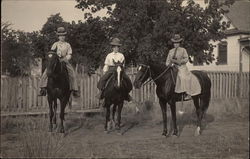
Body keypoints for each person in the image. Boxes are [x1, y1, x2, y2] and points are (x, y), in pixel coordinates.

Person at [38, 27, 80, 97]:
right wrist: (54, 59)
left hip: (64, 60)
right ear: (58, 36)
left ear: (65, 36)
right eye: (60, 35)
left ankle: (74, 90)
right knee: (46, 72)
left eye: (63, 35)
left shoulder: (67, 45)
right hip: (55, 61)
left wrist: (65, 59)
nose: (62, 37)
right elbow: (52, 53)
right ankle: (42, 88)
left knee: (72, 73)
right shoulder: (55, 44)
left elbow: (69, 54)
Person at [166, 34, 192, 100]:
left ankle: (186, 93)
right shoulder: (170, 51)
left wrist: (179, 61)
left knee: (182, 76)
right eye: (174, 43)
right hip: (172, 67)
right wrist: (169, 64)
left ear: (179, 43)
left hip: (181, 67)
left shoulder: (183, 50)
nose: (176, 44)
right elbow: (167, 61)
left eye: (177, 43)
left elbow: (186, 59)